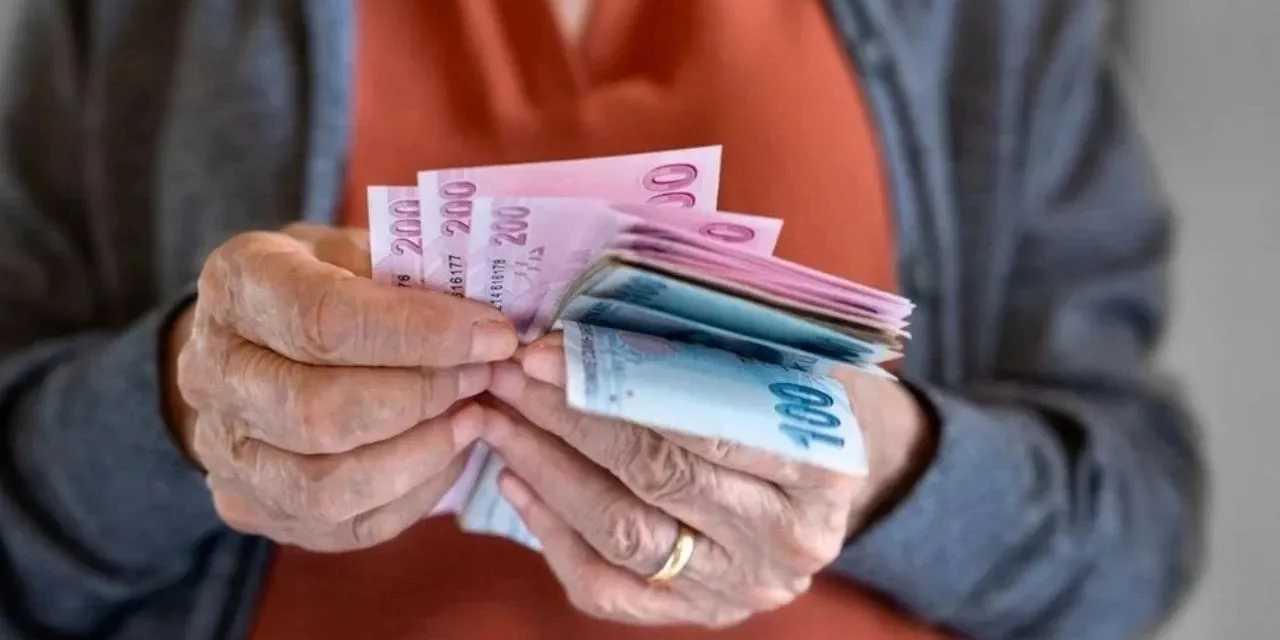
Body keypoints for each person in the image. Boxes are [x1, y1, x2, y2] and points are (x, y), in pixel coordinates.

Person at [0, 1, 1202, 638]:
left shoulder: (991, 22)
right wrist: (185, 401)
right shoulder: (142, 22)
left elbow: (1135, 530)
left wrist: (892, 474)